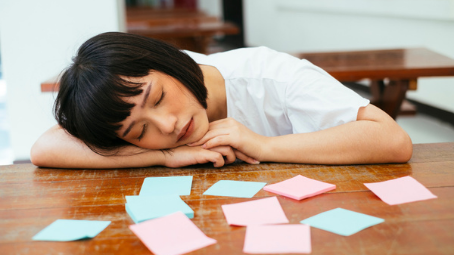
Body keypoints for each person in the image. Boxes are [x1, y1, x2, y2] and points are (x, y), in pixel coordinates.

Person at [31, 32, 413, 169]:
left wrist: (263, 145)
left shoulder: (272, 76)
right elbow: (45, 148)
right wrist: (164, 156)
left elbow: (392, 140)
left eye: (159, 98)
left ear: (171, 62)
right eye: (140, 130)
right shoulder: (150, 126)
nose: (168, 126)